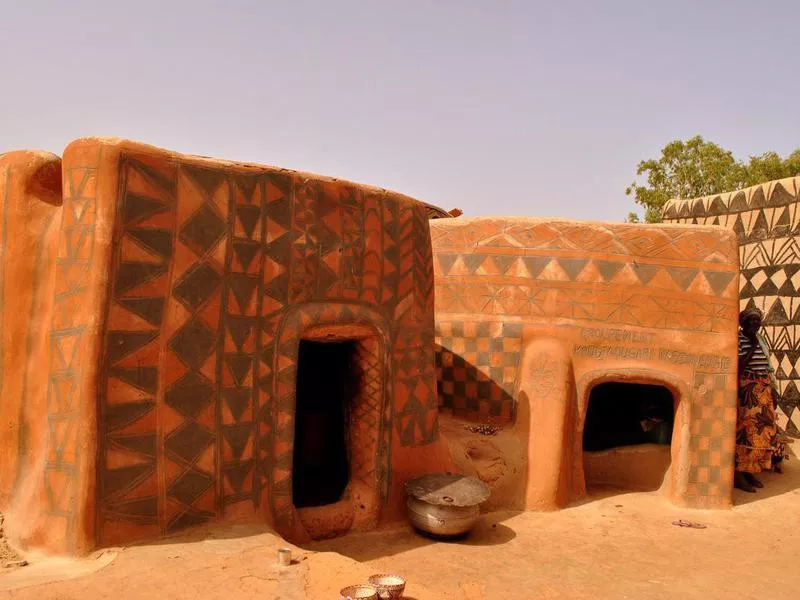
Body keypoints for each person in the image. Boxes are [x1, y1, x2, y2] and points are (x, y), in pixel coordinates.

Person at [735, 307, 782, 492]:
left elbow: (768, 368)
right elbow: (739, 367)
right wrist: (752, 345)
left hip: (763, 390)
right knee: (746, 432)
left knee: (764, 434)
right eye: (751, 321)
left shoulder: (760, 340)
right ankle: (739, 473)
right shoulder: (740, 340)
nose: (755, 324)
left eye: (757, 321)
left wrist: (773, 391)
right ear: (743, 323)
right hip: (749, 392)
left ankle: (750, 470)